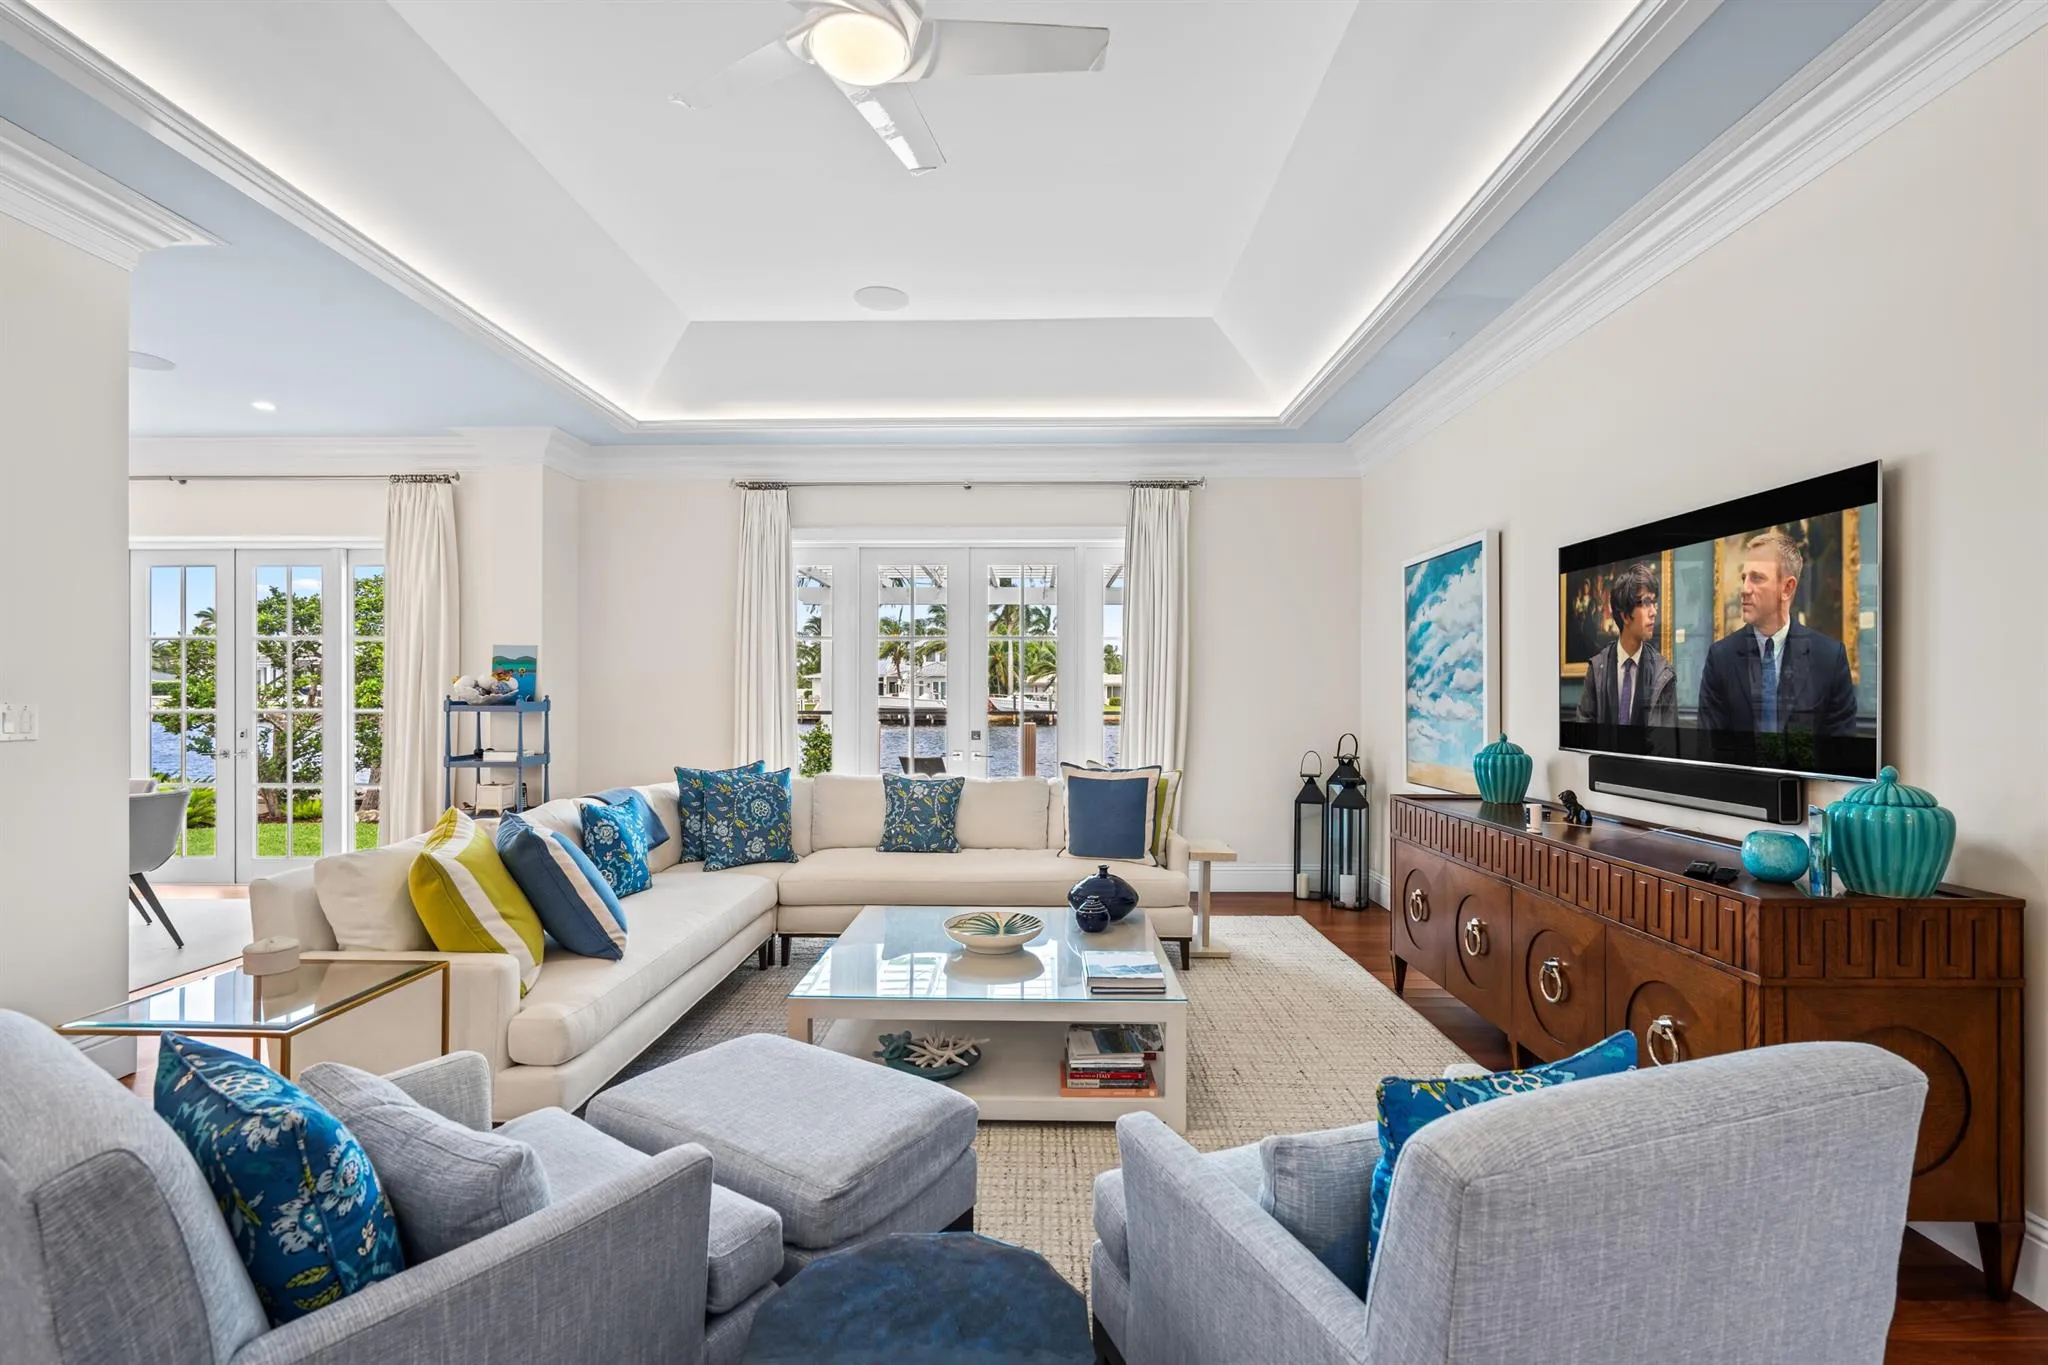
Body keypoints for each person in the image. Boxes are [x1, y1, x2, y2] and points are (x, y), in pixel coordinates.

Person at [1697, 530, 1858, 737]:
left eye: (1757, 578)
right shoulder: (1720, 658)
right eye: (1744, 578)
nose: (1744, 589)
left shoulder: (1829, 658)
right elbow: (1708, 747)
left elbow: (1841, 748)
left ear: (1787, 588)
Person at [1575, 563, 1676, 732]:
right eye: (1646, 602)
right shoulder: (1597, 668)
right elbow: (1583, 733)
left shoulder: (1664, 673)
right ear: (1625, 616)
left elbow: (1668, 742)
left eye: (1654, 602)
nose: (1654, 612)